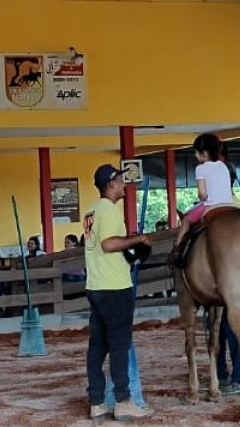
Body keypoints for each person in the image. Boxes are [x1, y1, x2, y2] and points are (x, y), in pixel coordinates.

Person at [83, 163, 153, 421]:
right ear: (111, 183)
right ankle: (123, 400)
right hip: (115, 286)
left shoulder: (91, 210)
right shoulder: (109, 210)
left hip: (96, 285)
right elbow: (109, 243)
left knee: (97, 346)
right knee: (120, 345)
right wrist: (138, 240)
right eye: (122, 181)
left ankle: (97, 402)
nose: (125, 185)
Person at [171, 133, 238, 263]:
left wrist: (202, 198)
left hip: (211, 204)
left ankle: (178, 249)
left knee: (186, 220)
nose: (195, 155)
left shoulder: (200, 168)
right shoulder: (223, 166)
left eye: (197, 152)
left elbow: (202, 194)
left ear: (205, 153)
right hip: (229, 204)